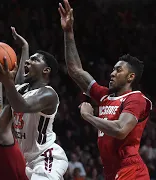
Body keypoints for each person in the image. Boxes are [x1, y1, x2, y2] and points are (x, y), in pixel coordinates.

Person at [59, 0, 152, 179]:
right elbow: (75, 71)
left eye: (118, 70)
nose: (112, 73)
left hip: (131, 170)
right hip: (110, 170)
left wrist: (88, 116)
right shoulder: (104, 96)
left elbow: (120, 129)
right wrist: (68, 32)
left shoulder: (136, 99)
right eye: (113, 69)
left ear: (130, 77)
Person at [0, 27, 68, 179]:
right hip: (28, 162)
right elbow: (18, 87)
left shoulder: (48, 94)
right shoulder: (22, 89)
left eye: (35, 60)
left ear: (46, 70)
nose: (29, 61)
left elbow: (21, 105)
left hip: (46, 156)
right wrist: (25, 48)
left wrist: (7, 81)